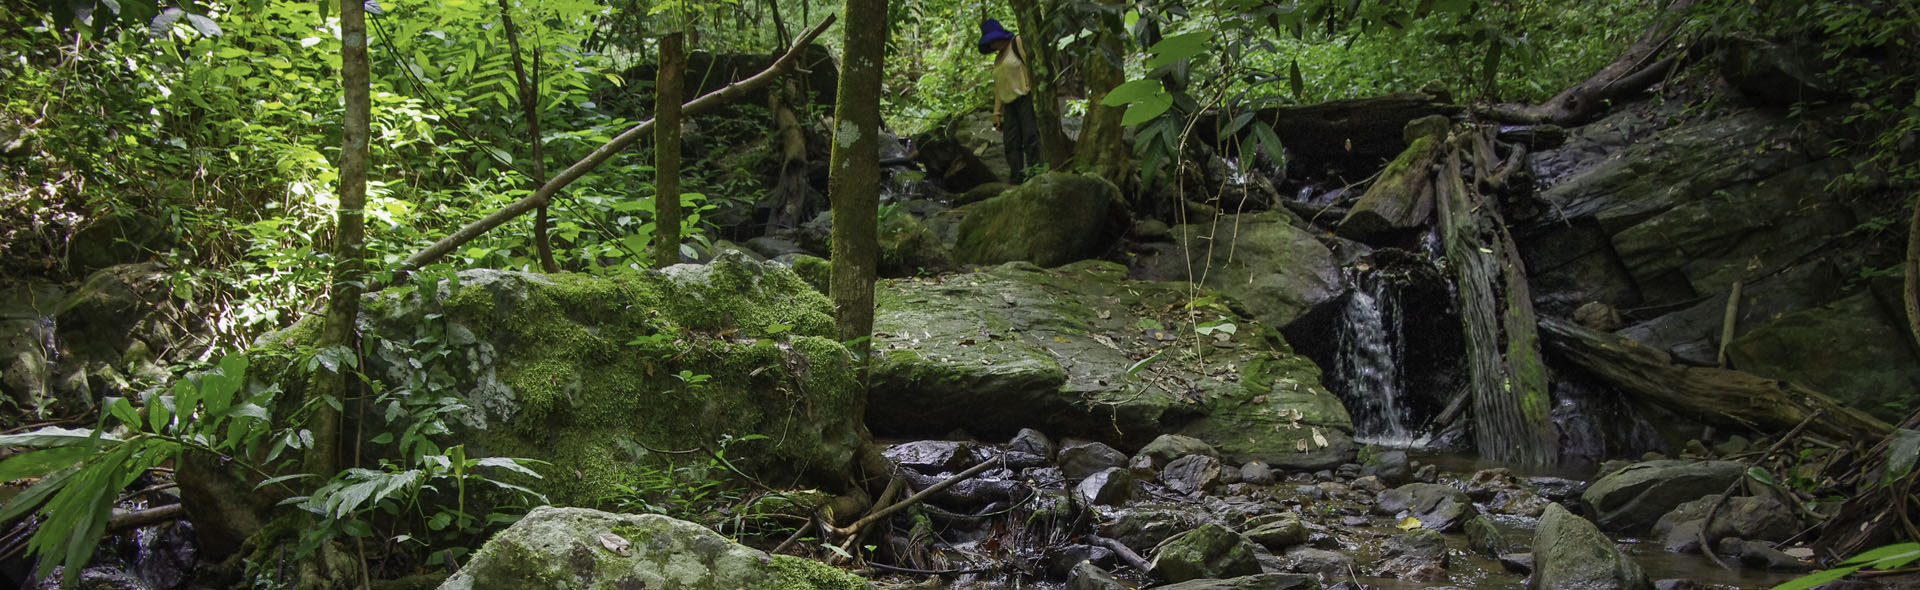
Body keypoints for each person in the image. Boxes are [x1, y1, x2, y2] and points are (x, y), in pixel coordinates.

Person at [978, 18, 1039, 183]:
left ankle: (1035, 173)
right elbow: (999, 87)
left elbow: (1032, 65)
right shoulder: (998, 59)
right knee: (1011, 142)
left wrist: (1032, 83)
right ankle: (1016, 177)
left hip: (1024, 97)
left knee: (1030, 137)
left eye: (991, 42)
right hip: (1009, 103)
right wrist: (997, 112)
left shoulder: (1017, 43)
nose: (991, 46)